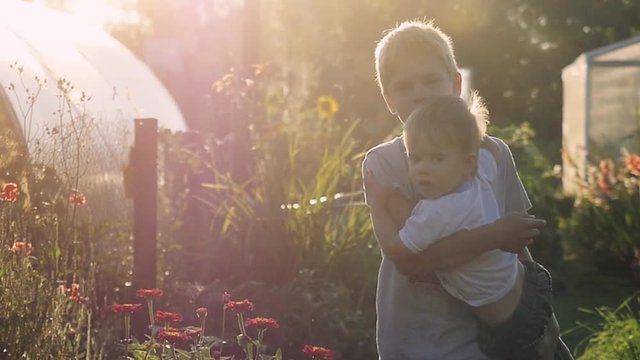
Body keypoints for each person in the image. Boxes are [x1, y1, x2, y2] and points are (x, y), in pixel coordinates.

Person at [361, 19, 571, 359]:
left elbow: (516, 241)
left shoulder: (492, 152)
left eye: (431, 79)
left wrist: (539, 317)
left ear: (456, 83)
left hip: (493, 328)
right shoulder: (384, 165)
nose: (419, 93)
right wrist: (496, 236)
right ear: (388, 99)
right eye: (403, 86)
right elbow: (414, 261)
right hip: (421, 336)